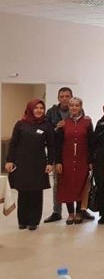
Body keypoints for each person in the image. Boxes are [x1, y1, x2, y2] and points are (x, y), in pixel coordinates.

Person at [4, 99, 55, 230]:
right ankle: (22, 220)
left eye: (41, 108)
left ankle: (33, 221)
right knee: (23, 192)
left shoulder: (47, 125)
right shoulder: (20, 124)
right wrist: (9, 160)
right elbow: (13, 143)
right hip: (21, 163)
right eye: (36, 108)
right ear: (30, 109)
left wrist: (50, 162)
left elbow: (51, 146)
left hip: (38, 163)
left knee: (36, 193)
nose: (39, 110)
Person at [55, 97, 93, 225]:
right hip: (67, 160)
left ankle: (79, 212)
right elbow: (58, 144)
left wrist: (91, 161)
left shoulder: (87, 122)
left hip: (82, 159)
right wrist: (58, 161)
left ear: (81, 106)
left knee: (81, 185)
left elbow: (91, 143)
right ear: (69, 107)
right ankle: (70, 213)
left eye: (77, 105)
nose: (74, 108)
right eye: (72, 106)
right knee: (68, 185)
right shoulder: (63, 123)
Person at [44, 87, 73, 223]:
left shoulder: (77, 109)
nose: (65, 99)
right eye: (62, 96)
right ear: (58, 98)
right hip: (57, 151)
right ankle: (57, 211)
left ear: (71, 97)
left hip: (74, 151)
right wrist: (57, 128)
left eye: (67, 96)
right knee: (57, 182)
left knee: (76, 180)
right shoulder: (51, 112)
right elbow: (46, 131)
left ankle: (79, 210)